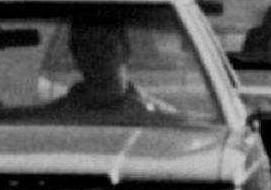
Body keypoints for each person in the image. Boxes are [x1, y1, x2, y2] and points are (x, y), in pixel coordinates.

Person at [47, 16, 175, 119]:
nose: (97, 55)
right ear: (75, 54)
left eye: (105, 44)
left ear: (125, 49)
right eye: (87, 47)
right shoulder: (52, 121)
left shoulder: (160, 119)